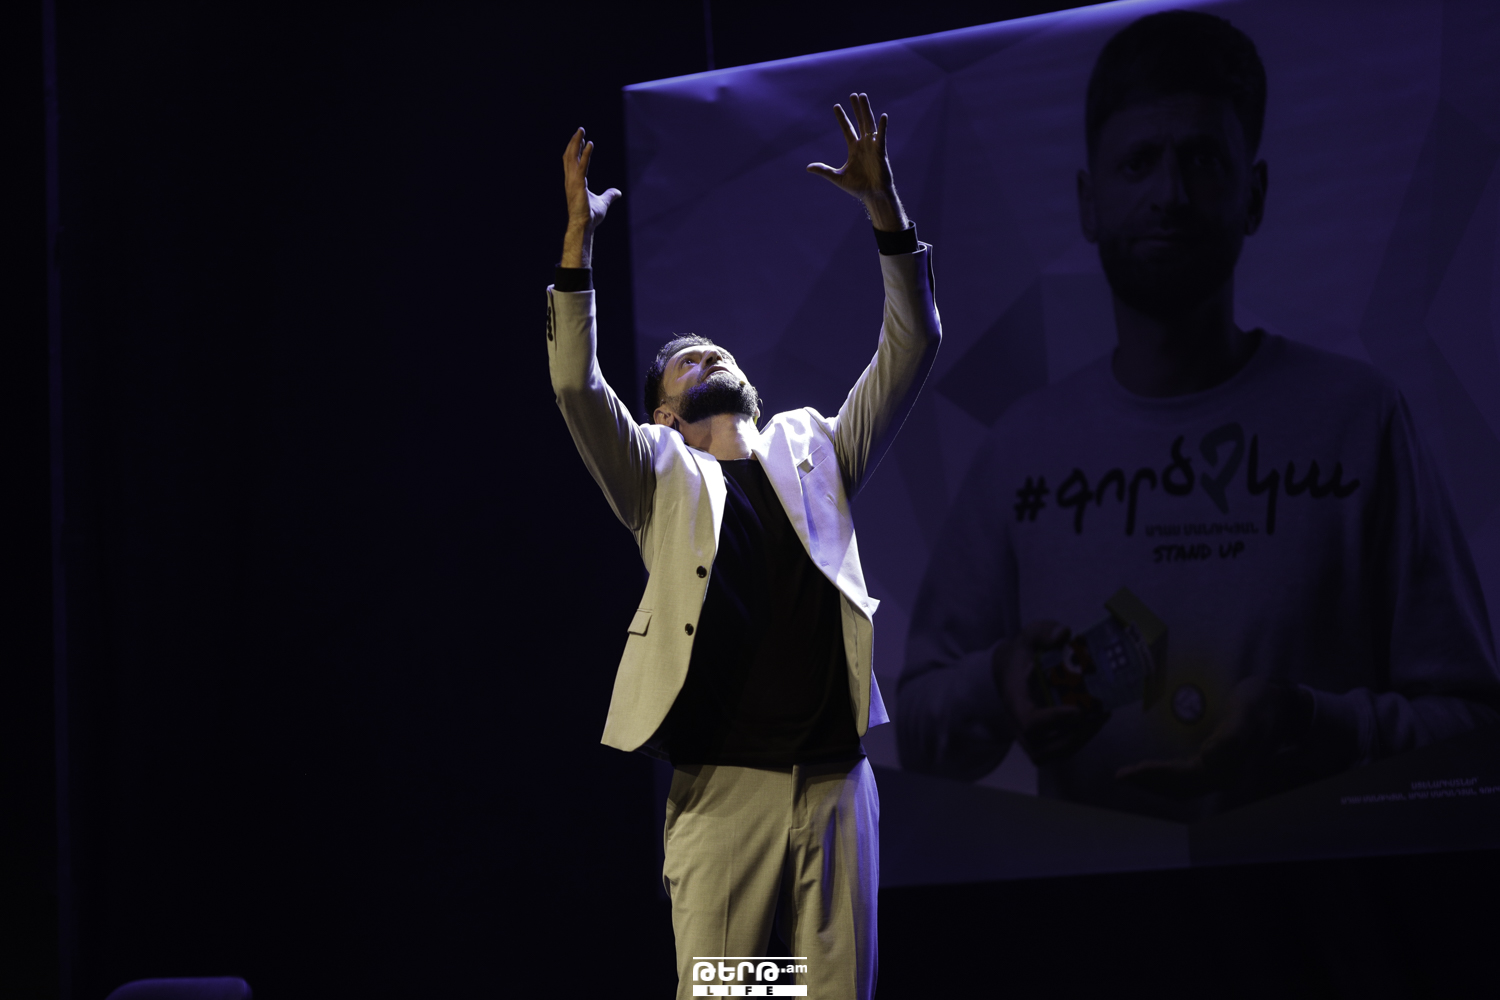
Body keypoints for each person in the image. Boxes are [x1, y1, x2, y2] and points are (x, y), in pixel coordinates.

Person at [897, 10, 1499, 823]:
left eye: (1203, 160)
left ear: (1255, 195)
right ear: (1089, 202)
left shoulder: (1361, 421)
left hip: (1321, 900)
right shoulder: (1023, 451)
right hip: (1097, 901)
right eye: (1138, 163)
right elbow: (921, 736)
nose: (1170, 195)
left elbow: (1474, 731)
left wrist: (1313, 725)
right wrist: (1000, 680)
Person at [548, 94, 940, 999]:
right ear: (662, 415)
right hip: (726, 799)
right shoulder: (658, 476)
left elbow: (913, 344)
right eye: (685, 361)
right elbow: (576, 387)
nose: (707, 355)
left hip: (837, 788)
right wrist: (578, 246)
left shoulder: (817, 450)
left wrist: (884, 209)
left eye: (714, 350)